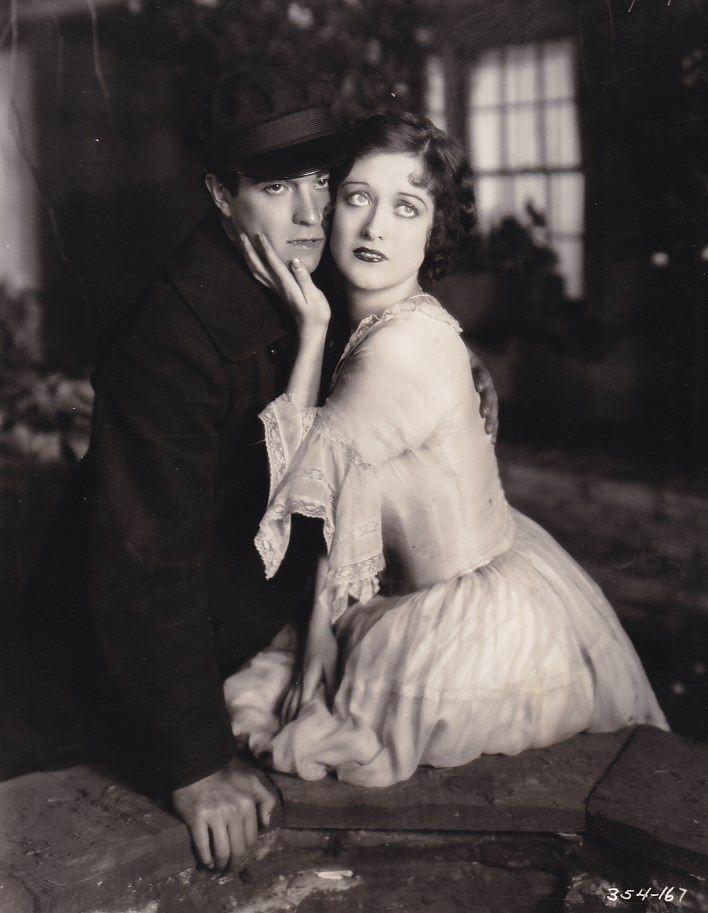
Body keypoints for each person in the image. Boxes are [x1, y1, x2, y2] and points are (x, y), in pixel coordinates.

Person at [17, 73, 498, 870]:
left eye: (323, 184)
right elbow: (146, 562)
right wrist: (198, 764)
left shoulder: (297, 260)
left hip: (252, 602)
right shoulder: (170, 342)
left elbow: (378, 327)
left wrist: (457, 361)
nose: (313, 216)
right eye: (279, 188)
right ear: (220, 193)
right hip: (121, 656)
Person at [224, 110, 668, 787]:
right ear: (332, 206)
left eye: (407, 206)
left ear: (435, 229)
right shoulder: (409, 321)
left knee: (278, 714)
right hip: (474, 580)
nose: (375, 227)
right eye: (358, 197)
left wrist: (312, 330)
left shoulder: (402, 345)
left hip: (467, 630)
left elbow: (289, 492)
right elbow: (340, 494)